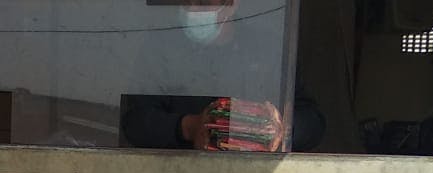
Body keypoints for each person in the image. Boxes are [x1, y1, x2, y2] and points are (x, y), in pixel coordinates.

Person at [121, 1, 328, 152]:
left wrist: (282, 128)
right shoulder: (159, 48)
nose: (193, 10)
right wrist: (189, 127)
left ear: (231, 5)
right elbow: (134, 121)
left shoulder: (267, 50)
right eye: (186, 3)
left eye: (203, 3)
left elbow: (313, 122)